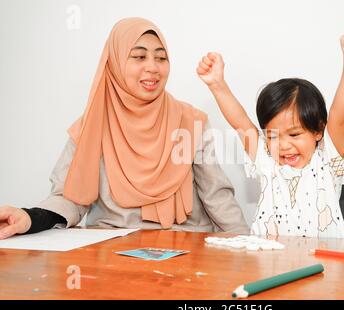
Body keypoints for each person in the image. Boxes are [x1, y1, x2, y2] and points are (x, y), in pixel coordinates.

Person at [0, 17, 249, 240]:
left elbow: (217, 197)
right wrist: (30, 218)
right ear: (116, 63)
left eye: (161, 58)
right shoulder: (92, 126)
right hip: (111, 253)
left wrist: (250, 248)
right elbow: (70, 198)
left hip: (186, 251)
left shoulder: (190, 121)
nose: (152, 67)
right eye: (139, 57)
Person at [197, 23, 344, 238]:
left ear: (318, 131)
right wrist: (217, 84)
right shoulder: (266, 160)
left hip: (326, 265)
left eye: (294, 134)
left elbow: (341, 117)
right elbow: (241, 123)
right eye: (273, 135)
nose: (284, 145)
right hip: (269, 261)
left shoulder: (327, 161)